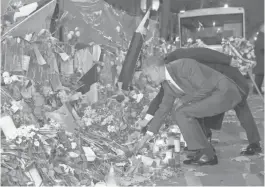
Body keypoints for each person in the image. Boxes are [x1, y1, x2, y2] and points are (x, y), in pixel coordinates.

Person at [130, 53, 261, 166]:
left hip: (223, 91)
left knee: (181, 111)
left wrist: (184, 100)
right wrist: (145, 138)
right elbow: (162, 110)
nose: (148, 79)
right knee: (179, 111)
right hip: (211, 96)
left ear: (155, 69)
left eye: (147, 75)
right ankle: (205, 152)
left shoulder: (183, 65)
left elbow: (205, 87)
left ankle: (206, 153)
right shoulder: (167, 85)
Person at [253, 24, 264, 94]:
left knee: (260, 74)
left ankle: (257, 89)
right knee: (260, 74)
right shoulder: (261, 37)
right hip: (261, 59)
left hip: (261, 59)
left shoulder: (260, 36)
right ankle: (256, 90)